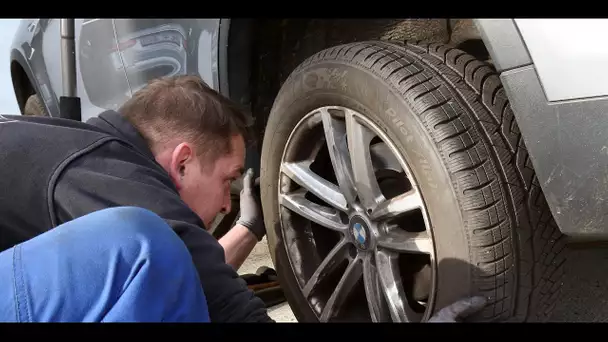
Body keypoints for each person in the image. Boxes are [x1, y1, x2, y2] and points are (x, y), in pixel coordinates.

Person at [0, 75, 486, 322]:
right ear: (183, 161)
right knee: (140, 245)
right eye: (230, 181)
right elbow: (224, 303)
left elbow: (189, 277)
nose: (230, 203)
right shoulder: (101, 166)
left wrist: (249, 230)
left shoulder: (71, 156)